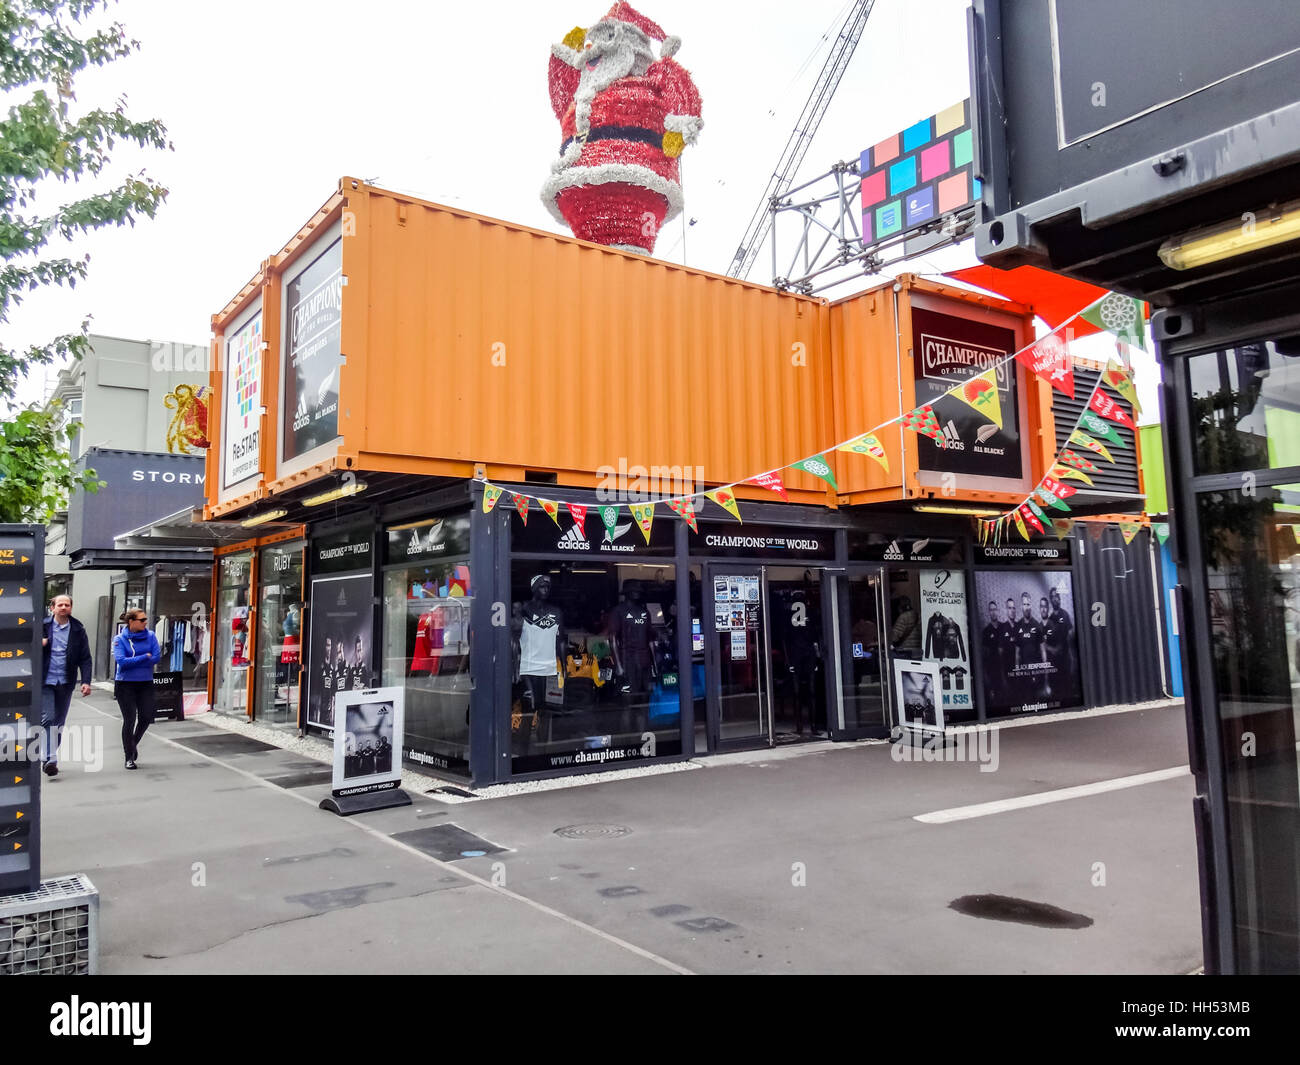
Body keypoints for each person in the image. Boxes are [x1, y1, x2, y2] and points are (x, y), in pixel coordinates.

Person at [40, 595, 93, 777]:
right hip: (45, 681)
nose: (63, 607)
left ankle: (49, 755)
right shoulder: (43, 627)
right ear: (52, 608)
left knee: (59, 723)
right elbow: (24, 646)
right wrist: (38, 645)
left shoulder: (78, 630)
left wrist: (86, 681)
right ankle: (50, 758)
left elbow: (85, 658)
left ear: (71, 607)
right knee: (48, 717)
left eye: (67, 605)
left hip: (65, 681)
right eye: (60, 605)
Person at [113, 609, 162, 770]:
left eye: (146, 619)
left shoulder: (151, 636)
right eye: (142, 620)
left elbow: (156, 657)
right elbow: (122, 662)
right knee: (129, 719)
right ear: (131, 621)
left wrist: (140, 659)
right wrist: (144, 657)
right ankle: (129, 757)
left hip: (145, 682)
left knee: (147, 716)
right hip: (125, 683)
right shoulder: (120, 639)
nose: (145, 622)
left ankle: (132, 743)